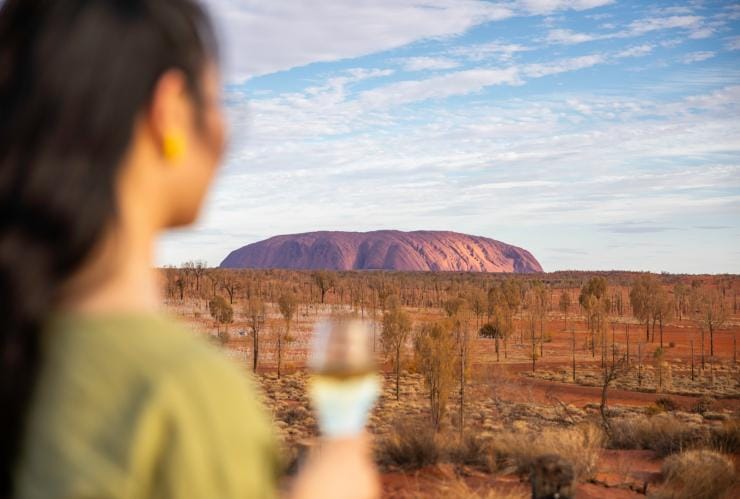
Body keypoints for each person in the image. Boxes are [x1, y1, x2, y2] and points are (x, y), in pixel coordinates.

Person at [0, 1, 379, 498]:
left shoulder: (26, 344)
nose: (222, 132)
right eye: (219, 102)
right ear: (170, 111)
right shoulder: (185, 396)